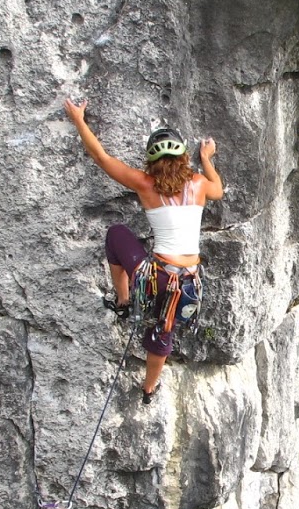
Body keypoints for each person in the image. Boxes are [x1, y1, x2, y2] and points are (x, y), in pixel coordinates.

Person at [63, 99, 223, 402]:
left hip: (156, 275)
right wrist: (207, 158)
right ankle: (148, 390)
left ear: (150, 160)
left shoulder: (144, 182)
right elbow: (219, 189)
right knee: (164, 332)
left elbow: (100, 157)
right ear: (183, 155)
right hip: (188, 280)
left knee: (116, 235)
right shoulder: (199, 183)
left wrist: (79, 120)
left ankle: (123, 300)